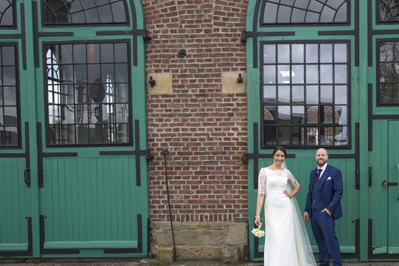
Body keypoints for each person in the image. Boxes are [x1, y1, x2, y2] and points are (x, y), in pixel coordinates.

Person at [255, 146, 316, 266]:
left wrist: (290, 195)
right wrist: (257, 215)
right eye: (278, 155)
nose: (280, 158)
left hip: (285, 208)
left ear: (284, 158)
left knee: (286, 237)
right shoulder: (264, 172)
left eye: (282, 156)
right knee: (274, 236)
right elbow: (261, 195)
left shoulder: (286, 172)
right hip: (271, 207)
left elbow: (297, 186)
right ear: (273, 156)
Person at [304, 148, 343, 266]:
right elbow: (310, 193)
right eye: (318, 155)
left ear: (327, 157)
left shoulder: (334, 172)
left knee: (331, 240)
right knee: (320, 241)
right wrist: (306, 209)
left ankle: (337, 264)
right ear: (315, 157)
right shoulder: (312, 173)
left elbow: (338, 192)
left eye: (323, 155)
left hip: (326, 213)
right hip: (314, 213)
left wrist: (329, 209)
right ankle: (324, 263)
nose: (320, 157)